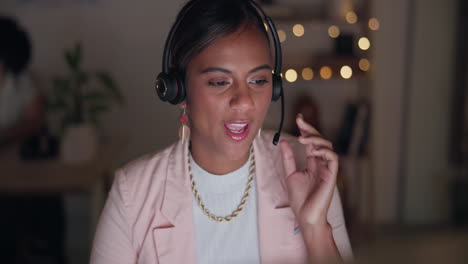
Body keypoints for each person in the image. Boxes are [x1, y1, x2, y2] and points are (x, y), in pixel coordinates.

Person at [91, 0, 353, 263]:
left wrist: (315, 226)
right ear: (178, 91)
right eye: (219, 82)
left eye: (258, 80)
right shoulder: (131, 193)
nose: (244, 101)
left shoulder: (307, 168)